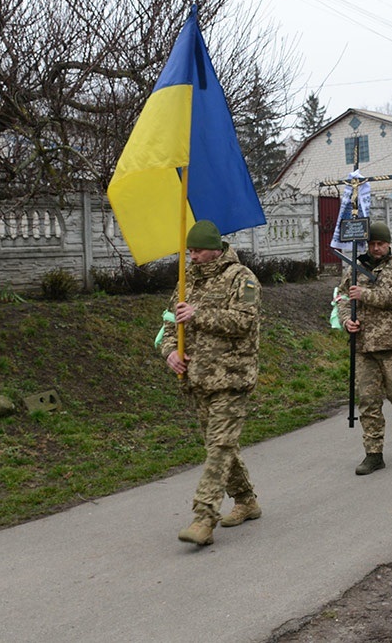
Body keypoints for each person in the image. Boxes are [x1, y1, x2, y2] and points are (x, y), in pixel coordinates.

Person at [159, 220, 262, 546]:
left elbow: (244, 321)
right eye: (189, 251)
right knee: (220, 446)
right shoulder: (184, 284)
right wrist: (169, 353)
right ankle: (246, 500)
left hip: (231, 378)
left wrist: (199, 314)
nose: (193, 257)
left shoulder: (241, 278)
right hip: (198, 379)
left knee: (218, 447)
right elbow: (167, 326)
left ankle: (204, 517)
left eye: (199, 250)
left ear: (216, 249)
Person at [337, 221, 392, 475]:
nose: (376, 248)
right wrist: (347, 320)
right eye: (372, 244)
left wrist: (366, 295)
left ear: (388, 243)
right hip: (364, 345)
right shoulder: (356, 266)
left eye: (380, 244)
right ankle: (373, 453)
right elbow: (343, 298)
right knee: (367, 401)